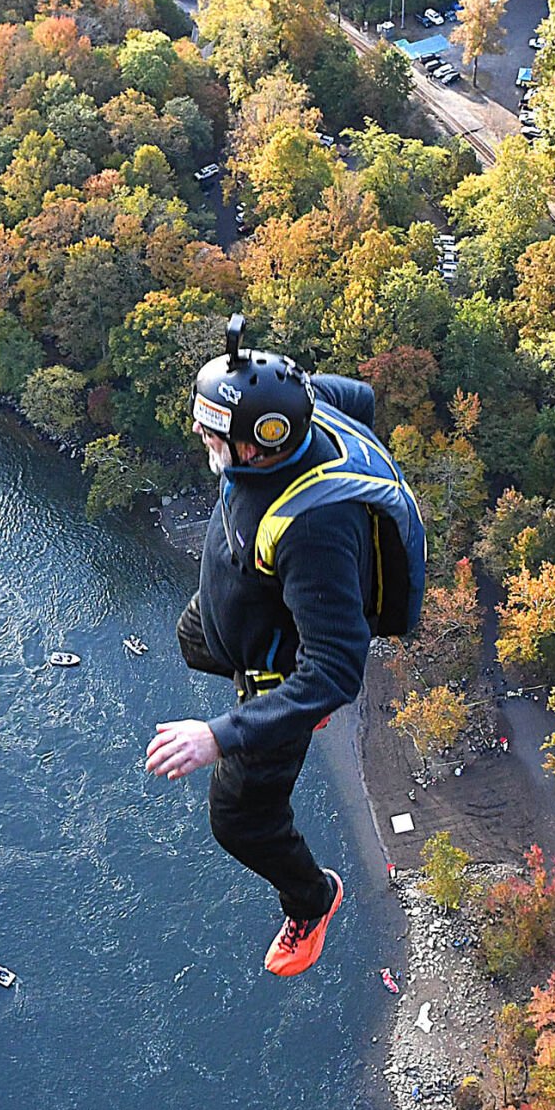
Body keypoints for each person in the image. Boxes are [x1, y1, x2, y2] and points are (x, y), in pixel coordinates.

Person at [147, 315, 408, 977]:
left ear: (262, 448)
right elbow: (363, 398)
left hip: (280, 671)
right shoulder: (306, 410)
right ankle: (269, 699)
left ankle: (313, 898)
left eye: (215, 433)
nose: (202, 437)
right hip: (236, 608)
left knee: (238, 817)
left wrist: (221, 735)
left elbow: (336, 669)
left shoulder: (315, 530)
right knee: (192, 636)